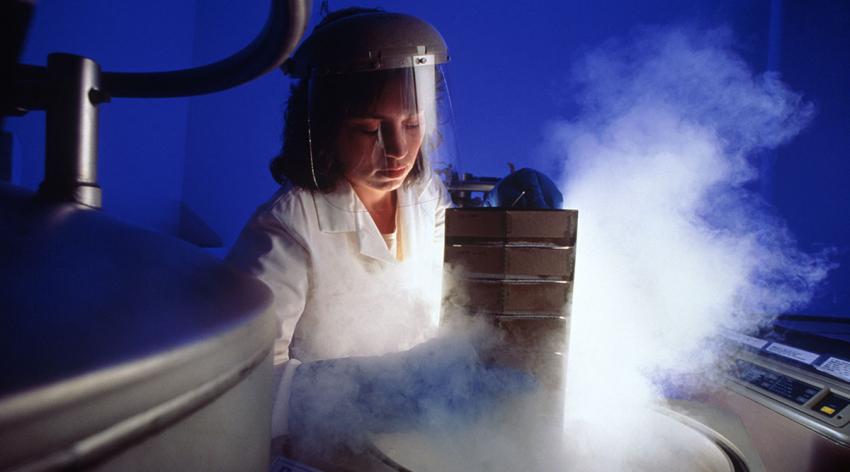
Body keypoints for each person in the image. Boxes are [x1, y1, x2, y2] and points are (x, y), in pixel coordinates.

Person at [227, 7, 560, 466]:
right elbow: (244, 389)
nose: (400, 150)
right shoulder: (284, 229)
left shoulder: (425, 195)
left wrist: (502, 220)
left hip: (420, 438)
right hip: (326, 457)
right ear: (321, 129)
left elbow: (459, 288)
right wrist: (393, 383)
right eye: (370, 129)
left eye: (412, 123)